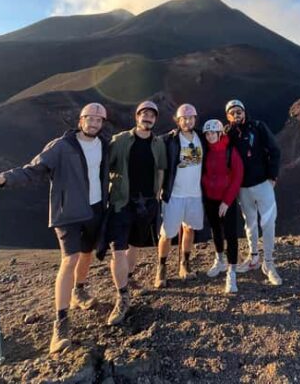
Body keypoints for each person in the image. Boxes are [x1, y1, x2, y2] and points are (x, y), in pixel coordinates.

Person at [0, 103, 111, 355]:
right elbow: (33, 169)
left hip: (95, 209)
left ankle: (78, 292)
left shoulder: (104, 145)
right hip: (68, 213)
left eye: (98, 119)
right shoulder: (61, 146)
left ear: (103, 123)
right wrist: (3, 178)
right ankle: (60, 325)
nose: (93, 123)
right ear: (80, 120)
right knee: (69, 260)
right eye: (89, 118)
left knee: (87, 253)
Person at [103, 100, 166, 324]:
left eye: (151, 115)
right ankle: (122, 297)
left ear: (155, 120)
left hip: (146, 203)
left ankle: (128, 281)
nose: (147, 118)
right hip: (122, 203)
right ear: (136, 117)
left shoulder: (158, 143)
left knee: (134, 245)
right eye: (144, 114)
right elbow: (104, 166)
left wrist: (157, 196)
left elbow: (160, 168)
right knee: (118, 249)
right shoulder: (120, 141)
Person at [224, 99, 283, 285]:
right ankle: (254, 257)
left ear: (244, 112)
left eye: (238, 111)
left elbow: (274, 149)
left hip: (262, 183)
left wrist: (272, 176)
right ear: (228, 116)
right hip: (242, 188)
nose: (236, 114)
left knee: (268, 223)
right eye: (232, 112)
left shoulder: (258, 127)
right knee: (250, 223)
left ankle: (269, 264)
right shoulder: (228, 134)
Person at [155, 103, 205, 288]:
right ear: (178, 120)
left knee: (190, 229)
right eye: (184, 118)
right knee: (167, 234)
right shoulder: (170, 140)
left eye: (191, 118)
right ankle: (161, 267)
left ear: (195, 119)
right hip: (174, 194)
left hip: (195, 194)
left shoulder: (202, 138)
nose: (188, 121)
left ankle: (184, 264)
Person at [200, 119, 244, 293]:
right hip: (210, 198)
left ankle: (231, 272)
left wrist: (226, 201)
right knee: (216, 230)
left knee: (231, 234)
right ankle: (219, 260)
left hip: (227, 200)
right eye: (208, 134)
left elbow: (237, 177)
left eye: (213, 133)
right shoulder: (206, 151)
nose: (210, 136)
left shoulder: (229, 151)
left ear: (220, 134)